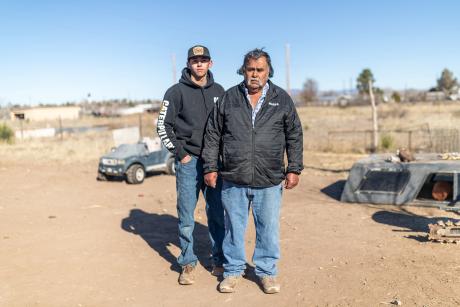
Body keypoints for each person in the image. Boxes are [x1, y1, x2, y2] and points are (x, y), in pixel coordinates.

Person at [202, 48, 304, 294]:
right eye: (250, 70)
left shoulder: (282, 99)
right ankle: (234, 271)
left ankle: (267, 273)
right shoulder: (229, 98)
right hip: (234, 176)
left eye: (260, 70)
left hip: (268, 178)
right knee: (233, 227)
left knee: (268, 227)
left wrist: (294, 168)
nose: (255, 75)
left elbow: (294, 135)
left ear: (268, 72)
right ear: (243, 71)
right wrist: (210, 166)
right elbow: (213, 134)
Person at [156, 45, 225, 285]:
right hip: (189, 161)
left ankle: (219, 260)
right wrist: (181, 153)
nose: (199, 64)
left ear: (210, 63)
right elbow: (162, 126)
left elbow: (228, 126)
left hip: (213, 161)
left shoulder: (220, 91)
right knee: (186, 214)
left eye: (203, 60)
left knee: (217, 212)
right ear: (188, 64)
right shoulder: (175, 92)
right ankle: (187, 261)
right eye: (194, 60)